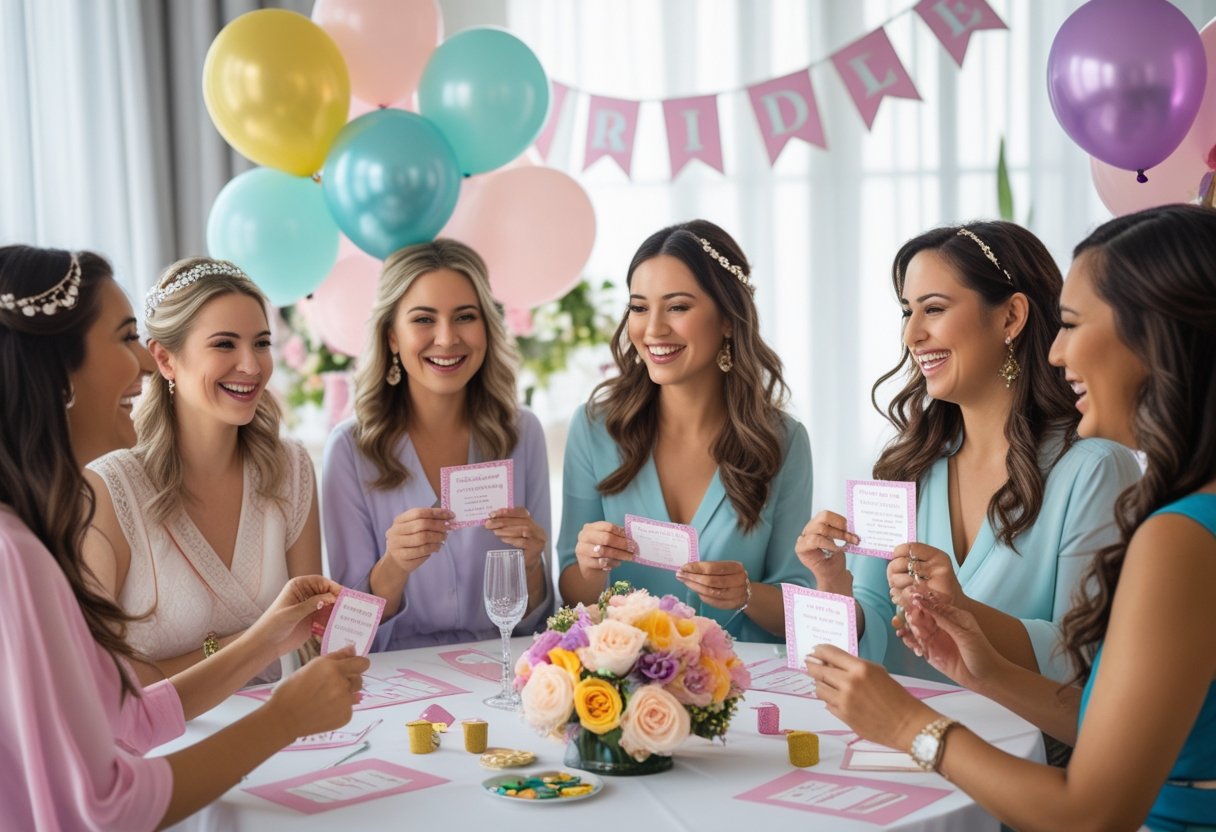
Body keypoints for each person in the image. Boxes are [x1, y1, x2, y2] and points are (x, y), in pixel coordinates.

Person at [805, 204, 1216, 831]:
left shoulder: (1171, 527)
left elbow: (1093, 803)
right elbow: (1111, 721)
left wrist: (912, 726)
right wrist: (982, 667)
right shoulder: (903, 468)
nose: (1057, 351)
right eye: (906, 311)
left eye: (1074, 324)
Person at [0, 244, 368, 830]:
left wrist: (265, 639)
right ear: (58, 370)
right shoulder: (16, 556)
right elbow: (105, 807)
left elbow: (124, 718)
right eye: (125, 338)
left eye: (262, 342)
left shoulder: (22, 538)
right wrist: (282, 719)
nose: (143, 367)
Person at [796, 221, 1139, 683]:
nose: (911, 335)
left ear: (1011, 317)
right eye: (906, 312)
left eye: (933, 309)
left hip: (1024, 749)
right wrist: (834, 584)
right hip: (898, 745)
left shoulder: (1094, 468)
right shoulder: (904, 466)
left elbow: (1082, 658)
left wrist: (959, 610)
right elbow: (874, 637)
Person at [557, 219, 812, 642]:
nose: (653, 329)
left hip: (740, 691)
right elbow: (571, 598)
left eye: (677, 307)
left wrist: (745, 593)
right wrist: (588, 567)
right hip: (624, 685)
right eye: (639, 308)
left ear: (728, 318)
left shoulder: (781, 441)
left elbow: (798, 603)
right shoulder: (594, 428)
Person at [84, 257, 322, 682]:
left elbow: (309, 636)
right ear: (165, 359)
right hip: (171, 741)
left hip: (289, 731)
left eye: (262, 343)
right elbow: (103, 681)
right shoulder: (110, 488)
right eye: (225, 344)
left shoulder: (292, 469)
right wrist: (255, 644)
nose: (251, 366)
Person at [323, 239, 553, 650]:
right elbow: (346, 639)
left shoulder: (523, 433)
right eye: (424, 319)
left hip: (500, 675)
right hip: (395, 685)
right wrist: (393, 565)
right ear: (392, 336)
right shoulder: (350, 450)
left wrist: (533, 563)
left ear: (487, 326)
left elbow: (538, 624)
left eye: (465, 316)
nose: (447, 339)